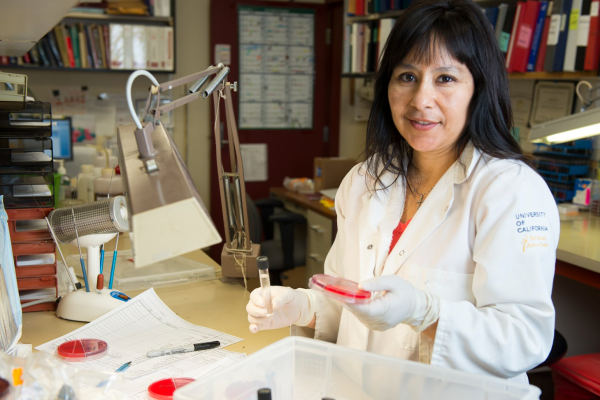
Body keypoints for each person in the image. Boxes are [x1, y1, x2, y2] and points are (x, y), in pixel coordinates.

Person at [246, 0, 559, 384]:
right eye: (407, 76)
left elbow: (524, 339)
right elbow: (351, 305)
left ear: (479, 87)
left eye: (445, 78)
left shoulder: (511, 192)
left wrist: (423, 311)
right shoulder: (364, 180)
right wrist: (301, 307)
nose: (420, 100)